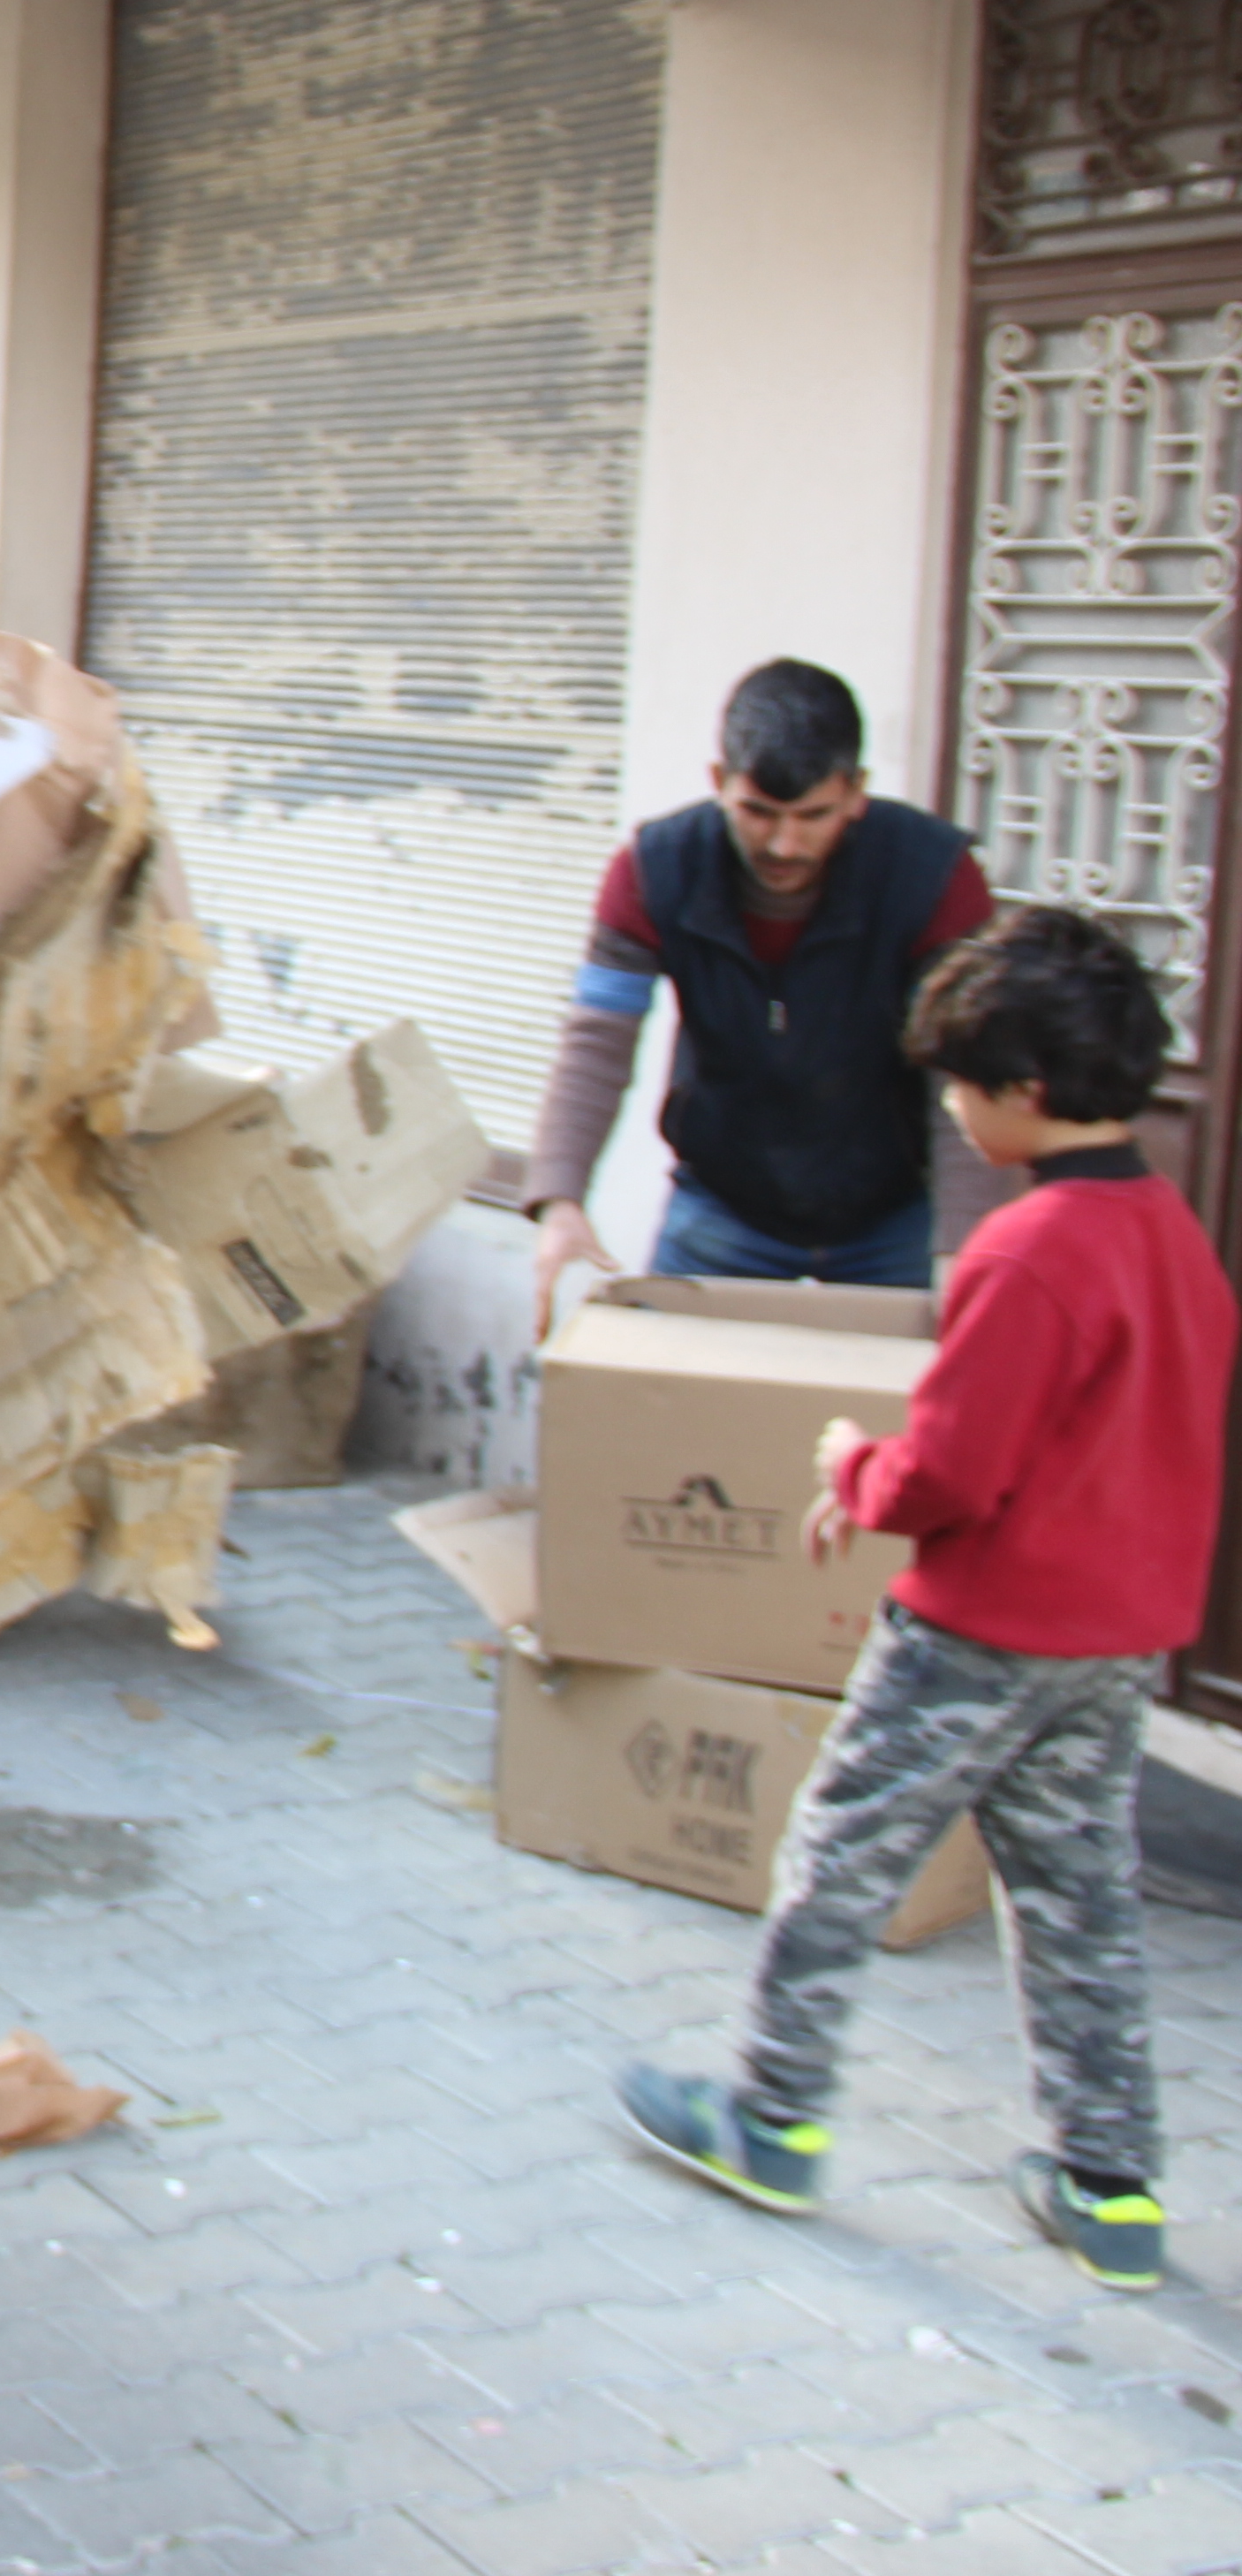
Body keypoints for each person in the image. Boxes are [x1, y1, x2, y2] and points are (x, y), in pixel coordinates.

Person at [617, 904, 1235, 2290]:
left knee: (839, 1858)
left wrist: (857, 1465)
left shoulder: (1031, 1254)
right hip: (1115, 1647)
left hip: (980, 1635)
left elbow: (951, 1471)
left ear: (1023, 1093)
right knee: (1080, 1898)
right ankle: (1113, 2188)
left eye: (960, 1084)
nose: (951, 1113)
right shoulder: (1172, 1242)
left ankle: (773, 2118)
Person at [525, 659, 990, 1329]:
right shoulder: (652, 873)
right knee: (675, 1398)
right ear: (720, 783)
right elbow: (597, 1040)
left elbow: (966, 1064)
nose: (784, 843)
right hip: (724, 1204)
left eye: (814, 816)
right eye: (758, 812)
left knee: (900, 1421)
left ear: (856, 792)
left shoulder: (936, 878)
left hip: (894, 1210)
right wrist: (560, 1197)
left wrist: (965, 1245)